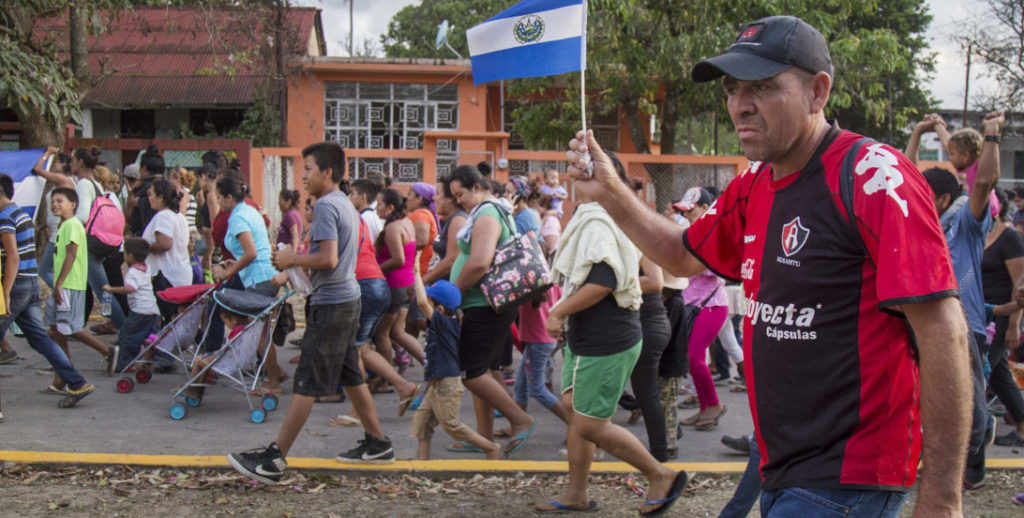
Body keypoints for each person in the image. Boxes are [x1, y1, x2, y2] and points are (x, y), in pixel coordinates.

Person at [564, 15, 970, 516]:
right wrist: (609, 192)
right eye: (733, 89)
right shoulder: (757, 182)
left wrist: (942, 500)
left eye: (762, 87)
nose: (740, 105)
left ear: (818, 92)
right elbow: (682, 253)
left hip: (847, 477)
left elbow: (944, 334)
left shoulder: (873, 178)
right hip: (781, 466)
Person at [228, 142, 393, 485]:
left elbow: (329, 259)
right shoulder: (344, 204)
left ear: (327, 172)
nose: (302, 176)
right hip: (344, 299)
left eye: (307, 169)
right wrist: (293, 270)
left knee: (306, 380)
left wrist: (292, 260)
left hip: (333, 305)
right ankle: (377, 442)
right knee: (351, 374)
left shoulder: (326, 208)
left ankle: (275, 459)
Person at [536, 166, 684, 516]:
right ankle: (576, 494)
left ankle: (660, 474)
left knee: (590, 423)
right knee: (576, 411)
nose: (575, 180)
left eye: (584, 172)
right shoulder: (599, 218)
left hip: (609, 336)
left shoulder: (603, 222)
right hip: (588, 334)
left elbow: (603, 281)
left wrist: (557, 312)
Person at [919, 111, 1004, 489]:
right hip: (926, 327)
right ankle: (950, 470)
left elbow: (985, 181)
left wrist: (991, 136)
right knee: (933, 404)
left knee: (970, 410)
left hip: (965, 326)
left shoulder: (966, 225)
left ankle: (968, 467)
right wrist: (924, 131)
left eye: (926, 196)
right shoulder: (925, 228)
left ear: (943, 198)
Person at [448, 165, 537, 457]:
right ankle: (484, 439)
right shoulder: (490, 211)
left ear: (476, 186)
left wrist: (452, 294)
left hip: (483, 305)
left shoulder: (487, 214)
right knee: (482, 371)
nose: (458, 200)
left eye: (460, 194)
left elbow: (478, 263)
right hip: (484, 304)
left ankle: (520, 419)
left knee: (470, 373)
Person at [0, 177, 94, 408]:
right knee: (40, 338)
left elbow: (13, 257)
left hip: (16, 286)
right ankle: (76, 381)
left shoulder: (4, 218)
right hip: (30, 284)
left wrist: (5, 295)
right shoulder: (20, 213)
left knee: (40, 337)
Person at [410, 257, 501, 460]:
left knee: (451, 424)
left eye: (433, 303)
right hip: (437, 382)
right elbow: (426, 302)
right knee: (423, 423)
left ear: (440, 309)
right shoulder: (449, 320)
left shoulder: (443, 323)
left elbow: (422, 301)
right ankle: (422, 463)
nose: (428, 306)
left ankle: (490, 448)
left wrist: (417, 272)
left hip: (447, 383)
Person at [212, 174, 284, 394]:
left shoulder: (237, 217)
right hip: (261, 275)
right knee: (261, 333)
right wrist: (236, 265)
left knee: (260, 335)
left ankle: (273, 382)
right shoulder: (248, 210)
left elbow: (251, 252)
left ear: (229, 196)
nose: (217, 202)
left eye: (218, 198)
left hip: (259, 278)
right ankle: (275, 374)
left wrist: (227, 272)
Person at [45, 187, 114, 385]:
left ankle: (105, 351)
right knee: (56, 327)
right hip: (63, 285)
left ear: (73, 204)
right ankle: (63, 371)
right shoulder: (64, 225)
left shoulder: (73, 225)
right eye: (52, 201)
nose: (55, 205)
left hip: (69, 285)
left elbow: (71, 254)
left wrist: (58, 284)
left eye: (60, 201)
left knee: (69, 327)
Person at [675, 187, 729, 431]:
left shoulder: (714, 233)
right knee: (692, 358)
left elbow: (716, 269)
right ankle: (706, 406)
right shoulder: (694, 233)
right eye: (684, 212)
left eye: (691, 211)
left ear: (706, 209)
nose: (687, 216)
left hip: (712, 306)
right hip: (696, 305)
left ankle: (713, 405)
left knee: (694, 357)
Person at [980, 189, 1024, 447]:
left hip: (1003, 317)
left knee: (985, 371)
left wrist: (1015, 325)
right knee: (997, 373)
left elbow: (1021, 283)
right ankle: (1021, 423)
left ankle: (980, 429)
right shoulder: (983, 235)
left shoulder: (1010, 238)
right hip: (984, 314)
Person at [69, 148, 126, 335]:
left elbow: (84, 215)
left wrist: (69, 225)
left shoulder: (83, 184)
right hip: (100, 243)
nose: (70, 164)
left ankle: (126, 329)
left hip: (89, 245)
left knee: (104, 292)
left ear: (79, 162)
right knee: (103, 291)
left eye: (72, 160)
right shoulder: (96, 185)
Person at [373, 188, 424, 368]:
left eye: (379, 204)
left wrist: (375, 269)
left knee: (381, 333)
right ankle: (432, 364)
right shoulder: (406, 222)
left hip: (396, 286)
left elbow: (398, 259)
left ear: (390, 207)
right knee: (397, 332)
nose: (376, 207)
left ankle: (386, 378)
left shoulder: (393, 228)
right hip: (405, 284)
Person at [103, 238, 161, 372]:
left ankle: (126, 364)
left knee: (127, 336)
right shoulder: (146, 267)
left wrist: (111, 289)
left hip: (139, 312)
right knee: (150, 336)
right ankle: (154, 359)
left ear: (130, 256)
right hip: (152, 310)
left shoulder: (133, 273)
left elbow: (129, 288)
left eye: (124, 254)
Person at [142, 179, 192, 323]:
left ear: (161, 197)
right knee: (176, 318)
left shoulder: (163, 216)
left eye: (151, 194)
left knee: (169, 318)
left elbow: (165, 244)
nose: (149, 198)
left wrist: (143, 245)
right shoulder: (179, 217)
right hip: (180, 274)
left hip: (166, 277)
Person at [421, 175, 467, 285]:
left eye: (438, 194)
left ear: (450, 198)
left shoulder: (458, 220)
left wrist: (422, 282)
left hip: (446, 287)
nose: (434, 198)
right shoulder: (450, 220)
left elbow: (451, 259)